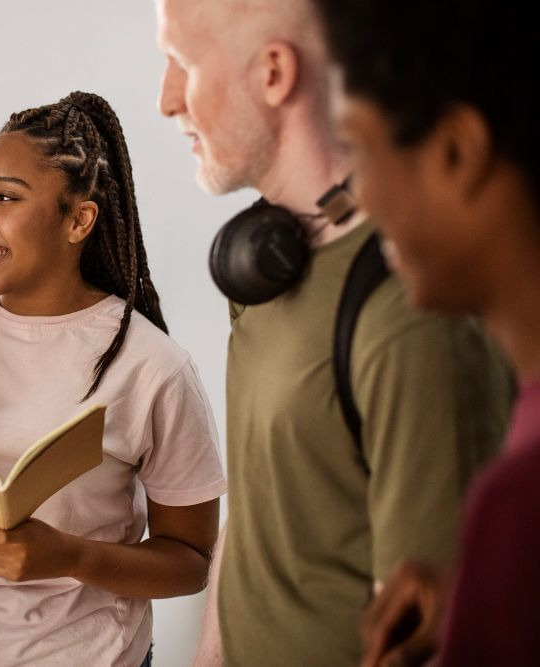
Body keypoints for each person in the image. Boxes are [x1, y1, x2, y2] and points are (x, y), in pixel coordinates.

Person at [153, 1, 514, 664]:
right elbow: (262, 518)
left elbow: (438, 633)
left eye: (182, 63)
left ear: (273, 72)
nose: (166, 100)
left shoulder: (410, 318)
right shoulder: (263, 264)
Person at [0, 91, 226, 665]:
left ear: (79, 219)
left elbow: (191, 564)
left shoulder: (152, 365)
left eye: (5, 197)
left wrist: (70, 557)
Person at [311, 1, 540, 665]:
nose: (358, 195)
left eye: (357, 146)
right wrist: (477, 599)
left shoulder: (520, 505)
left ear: (455, 151)